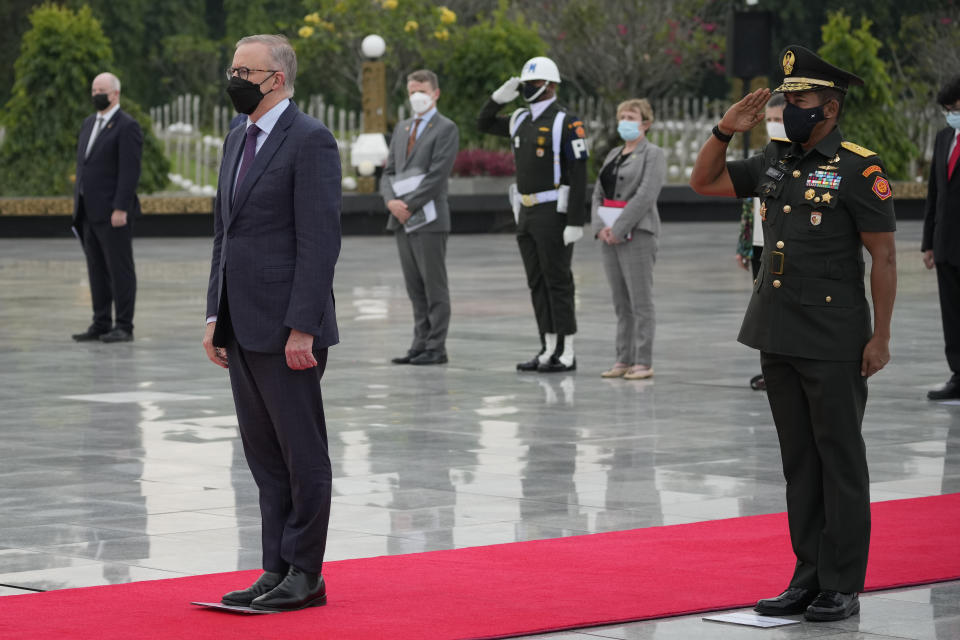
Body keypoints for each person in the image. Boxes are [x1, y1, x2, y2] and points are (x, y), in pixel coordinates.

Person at [690, 45, 897, 622]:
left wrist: (880, 338)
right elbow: (703, 181)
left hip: (834, 337)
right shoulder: (776, 160)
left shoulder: (860, 168)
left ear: (829, 108)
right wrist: (724, 130)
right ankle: (806, 577)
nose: (787, 112)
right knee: (799, 462)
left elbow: (883, 259)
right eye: (785, 102)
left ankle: (842, 582)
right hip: (777, 331)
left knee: (840, 460)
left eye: (799, 102)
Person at [202, 34, 341, 612]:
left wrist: (303, 327)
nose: (233, 78)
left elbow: (319, 241)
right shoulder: (238, 137)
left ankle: (306, 573)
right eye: (231, 67)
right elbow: (224, 234)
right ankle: (275, 566)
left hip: (288, 328)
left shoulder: (311, 140)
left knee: (300, 453)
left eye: (243, 70)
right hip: (240, 323)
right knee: (262, 456)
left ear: (275, 79)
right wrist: (214, 312)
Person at [478, 56, 589, 373]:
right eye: (525, 85)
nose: (528, 89)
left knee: (558, 281)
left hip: (553, 209)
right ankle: (547, 346)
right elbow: (483, 123)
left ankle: (566, 350)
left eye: (533, 84)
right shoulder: (519, 119)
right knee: (536, 281)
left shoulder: (565, 121)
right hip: (525, 210)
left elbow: (579, 171)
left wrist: (575, 221)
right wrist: (499, 98)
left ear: (551, 86)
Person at [381, 69, 459, 366]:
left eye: (422, 91)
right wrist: (391, 202)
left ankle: (436, 346)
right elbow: (388, 173)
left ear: (435, 93)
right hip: (402, 219)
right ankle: (419, 342)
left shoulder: (446, 128)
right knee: (414, 286)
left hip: (429, 219)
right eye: (412, 91)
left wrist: (409, 204)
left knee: (434, 284)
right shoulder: (402, 129)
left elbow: (438, 175)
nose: (417, 96)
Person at [590, 98, 666, 380]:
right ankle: (623, 358)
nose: (625, 121)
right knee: (620, 301)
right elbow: (598, 192)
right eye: (622, 115)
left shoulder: (653, 154)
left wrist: (619, 228)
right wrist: (600, 227)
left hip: (638, 233)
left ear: (645, 123)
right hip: (608, 234)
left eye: (631, 116)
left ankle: (642, 361)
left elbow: (646, 194)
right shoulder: (613, 154)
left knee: (640, 301)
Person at [71, 72, 142, 343]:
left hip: (114, 213)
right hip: (88, 211)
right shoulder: (89, 123)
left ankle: (124, 325)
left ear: (115, 94)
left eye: (101, 89)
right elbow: (85, 166)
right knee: (96, 269)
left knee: (119, 269)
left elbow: (129, 171)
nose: (95, 94)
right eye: (93, 90)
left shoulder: (127, 126)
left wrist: (120, 207)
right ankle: (100, 322)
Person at [736, 93, 786, 390]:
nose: (772, 125)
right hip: (758, 242)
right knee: (764, 308)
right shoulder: (765, 154)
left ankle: (782, 369)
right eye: (769, 120)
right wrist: (743, 245)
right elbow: (748, 206)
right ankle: (770, 368)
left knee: (781, 308)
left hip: (779, 245)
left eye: (778, 119)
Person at [922, 74, 960, 400]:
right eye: (947, 108)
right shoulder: (944, 138)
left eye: (955, 107)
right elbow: (935, 193)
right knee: (952, 314)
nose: (950, 113)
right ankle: (958, 375)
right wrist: (928, 243)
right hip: (947, 244)